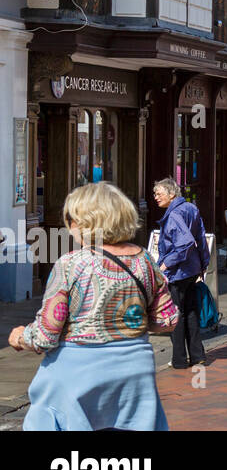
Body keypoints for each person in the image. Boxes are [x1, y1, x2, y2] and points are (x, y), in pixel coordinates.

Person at [10, 182, 177, 431]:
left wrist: (21, 336)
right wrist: (126, 323)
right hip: (134, 374)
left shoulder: (71, 264)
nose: (70, 226)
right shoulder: (144, 259)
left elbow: (46, 335)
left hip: (77, 375)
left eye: (72, 219)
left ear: (86, 222)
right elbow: (167, 321)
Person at [154, 177, 209, 370]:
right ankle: (197, 356)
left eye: (159, 193)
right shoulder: (190, 208)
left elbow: (184, 244)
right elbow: (200, 238)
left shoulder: (175, 214)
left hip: (178, 272)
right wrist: (203, 264)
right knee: (191, 312)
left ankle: (179, 359)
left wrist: (164, 266)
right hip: (191, 270)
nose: (155, 197)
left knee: (176, 314)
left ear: (171, 194)